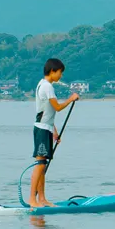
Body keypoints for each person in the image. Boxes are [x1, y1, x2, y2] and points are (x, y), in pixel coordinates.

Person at [29, 58, 79, 208]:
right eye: (60, 72)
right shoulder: (47, 86)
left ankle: (42, 199)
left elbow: (47, 111)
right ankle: (32, 199)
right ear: (52, 71)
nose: (61, 76)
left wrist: (54, 131)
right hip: (42, 130)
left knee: (43, 164)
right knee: (40, 164)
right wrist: (71, 99)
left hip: (46, 128)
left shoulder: (43, 84)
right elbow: (57, 107)